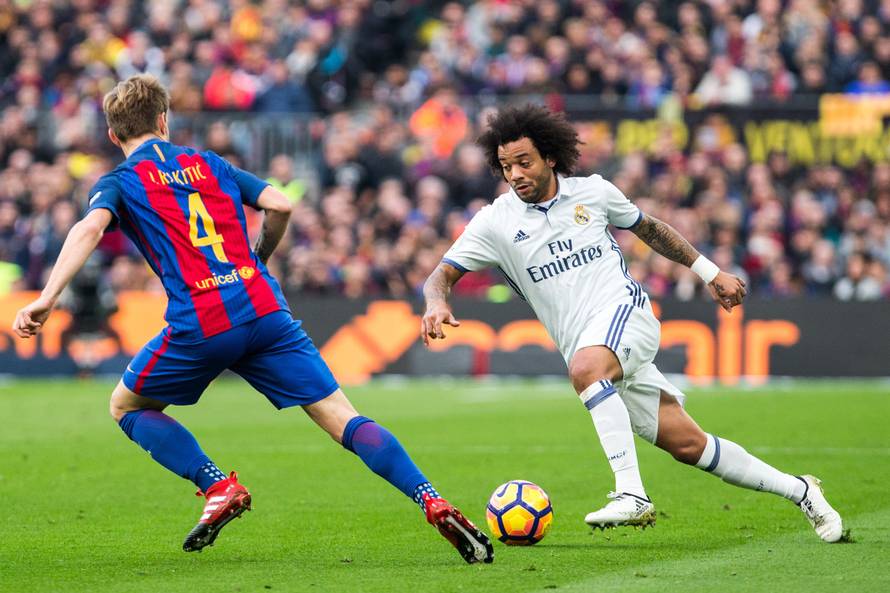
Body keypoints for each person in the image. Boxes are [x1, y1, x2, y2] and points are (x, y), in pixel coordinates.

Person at [12, 74, 493, 564]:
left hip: (201, 320)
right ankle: (431, 499)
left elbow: (90, 226)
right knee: (343, 418)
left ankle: (216, 485)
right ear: (164, 120)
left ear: (114, 136)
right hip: (265, 310)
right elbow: (281, 203)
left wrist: (48, 296)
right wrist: (260, 254)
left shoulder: (119, 181)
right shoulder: (208, 162)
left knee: (126, 407)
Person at [421, 104, 844, 543]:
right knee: (689, 446)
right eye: (506, 166)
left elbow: (650, 228)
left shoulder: (593, 192)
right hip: (590, 346)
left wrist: (710, 272)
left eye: (524, 162)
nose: (516, 174)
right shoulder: (495, 222)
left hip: (627, 316)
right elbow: (441, 275)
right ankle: (801, 491)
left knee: (585, 370)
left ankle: (632, 495)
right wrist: (436, 303)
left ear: (549, 157)